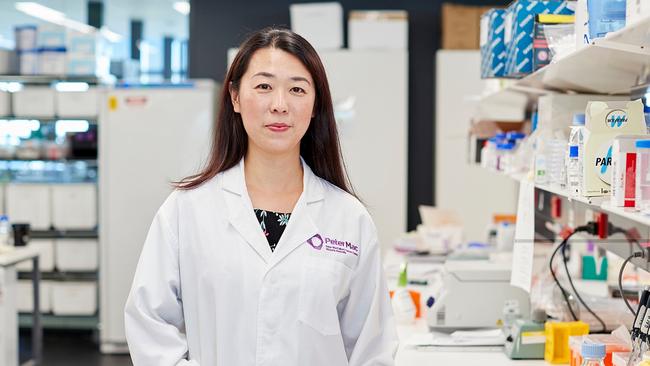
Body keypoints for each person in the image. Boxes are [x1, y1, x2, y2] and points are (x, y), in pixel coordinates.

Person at [124, 27, 398, 366]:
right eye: (264, 86)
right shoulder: (187, 208)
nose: (280, 105)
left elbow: (373, 347)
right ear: (236, 98)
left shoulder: (349, 219)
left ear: (315, 106)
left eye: (297, 89)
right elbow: (149, 323)